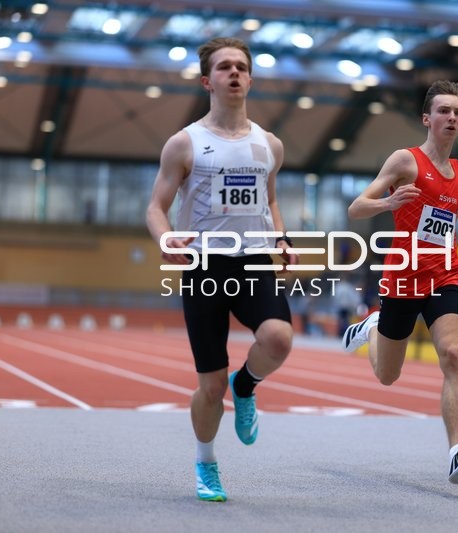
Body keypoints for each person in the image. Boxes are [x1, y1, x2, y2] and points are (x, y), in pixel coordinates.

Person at [341, 80, 458, 483]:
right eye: (444, 111)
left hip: (446, 273)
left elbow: (455, 207)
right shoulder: (405, 161)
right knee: (387, 376)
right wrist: (388, 202)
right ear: (427, 119)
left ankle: (456, 452)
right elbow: (356, 207)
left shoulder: (457, 169)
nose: (452, 118)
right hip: (402, 277)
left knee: (453, 353)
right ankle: (372, 326)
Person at [146, 37, 297, 501]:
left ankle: (246, 385)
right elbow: (156, 206)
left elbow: (269, 198)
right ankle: (206, 463)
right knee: (209, 387)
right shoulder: (185, 143)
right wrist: (165, 237)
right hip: (206, 266)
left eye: (241, 67)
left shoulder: (269, 144)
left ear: (250, 79)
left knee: (278, 338)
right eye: (225, 67)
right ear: (206, 80)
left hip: (252, 260)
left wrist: (282, 237)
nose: (234, 73)